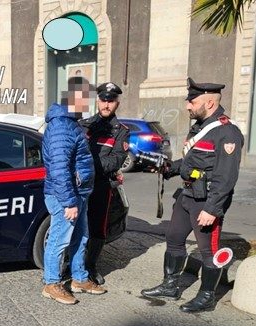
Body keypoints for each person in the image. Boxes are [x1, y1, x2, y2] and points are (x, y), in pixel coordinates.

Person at [141, 78, 244, 313]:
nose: (188, 106)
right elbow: (192, 162)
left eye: (192, 101)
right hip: (187, 195)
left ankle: (207, 297)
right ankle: (170, 285)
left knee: (209, 251)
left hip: (206, 202)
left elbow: (226, 177)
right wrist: (170, 168)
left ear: (209, 102)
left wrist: (212, 209)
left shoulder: (227, 132)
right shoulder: (199, 126)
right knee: (174, 238)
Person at [42, 76, 104, 305]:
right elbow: (59, 169)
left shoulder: (70, 123)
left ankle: (79, 278)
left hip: (78, 194)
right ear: (75, 98)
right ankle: (51, 283)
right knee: (59, 240)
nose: (88, 105)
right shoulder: (61, 126)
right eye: (86, 99)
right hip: (65, 197)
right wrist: (69, 202)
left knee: (81, 236)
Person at [78, 82, 130, 285]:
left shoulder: (121, 132)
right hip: (81, 185)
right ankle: (74, 263)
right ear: (97, 101)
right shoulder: (84, 125)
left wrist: (86, 163)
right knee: (76, 226)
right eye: (103, 100)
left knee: (98, 228)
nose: (106, 105)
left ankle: (90, 266)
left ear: (117, 103)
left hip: (101, 186)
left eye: (111, 101)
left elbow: (116, 160)